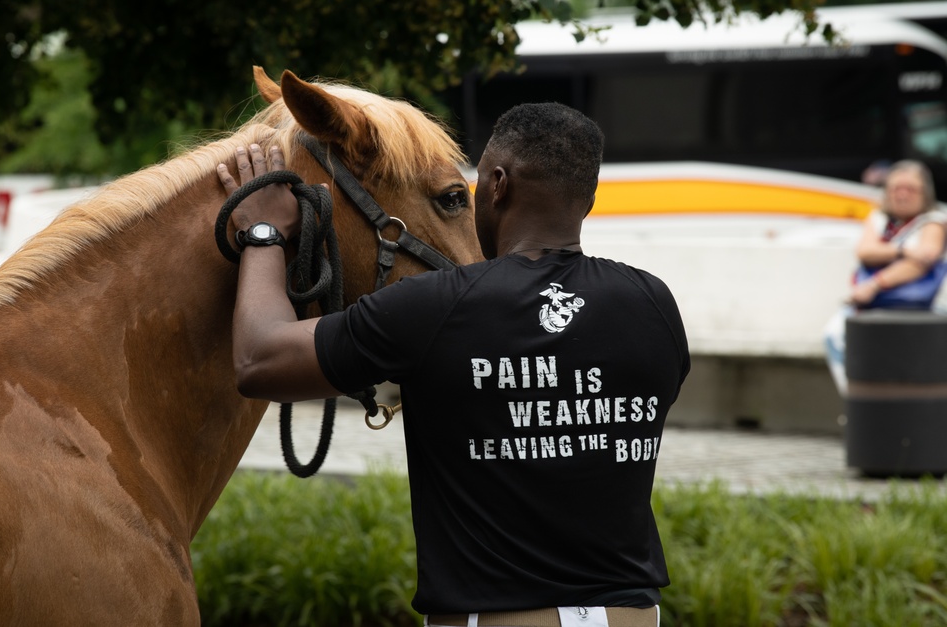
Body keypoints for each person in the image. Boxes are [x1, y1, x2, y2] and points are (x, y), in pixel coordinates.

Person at [217, 103, 690, 627]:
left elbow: (260, 360)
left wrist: (262, 232)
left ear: (497, 186)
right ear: (589, 199)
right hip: (634, 617)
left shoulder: (434, 307)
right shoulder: (654, 305)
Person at [823, 159, 947, 395]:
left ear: (925, 193)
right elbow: (865, 251)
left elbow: (922, 262)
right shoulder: (879, 218)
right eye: (896, 189)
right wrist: (902, 250)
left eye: (910, 189)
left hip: (923, 308)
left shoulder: (934, 222)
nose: (902, 195)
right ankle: (857, 403)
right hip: (873, 306)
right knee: (834, 336)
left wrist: (875, 284)